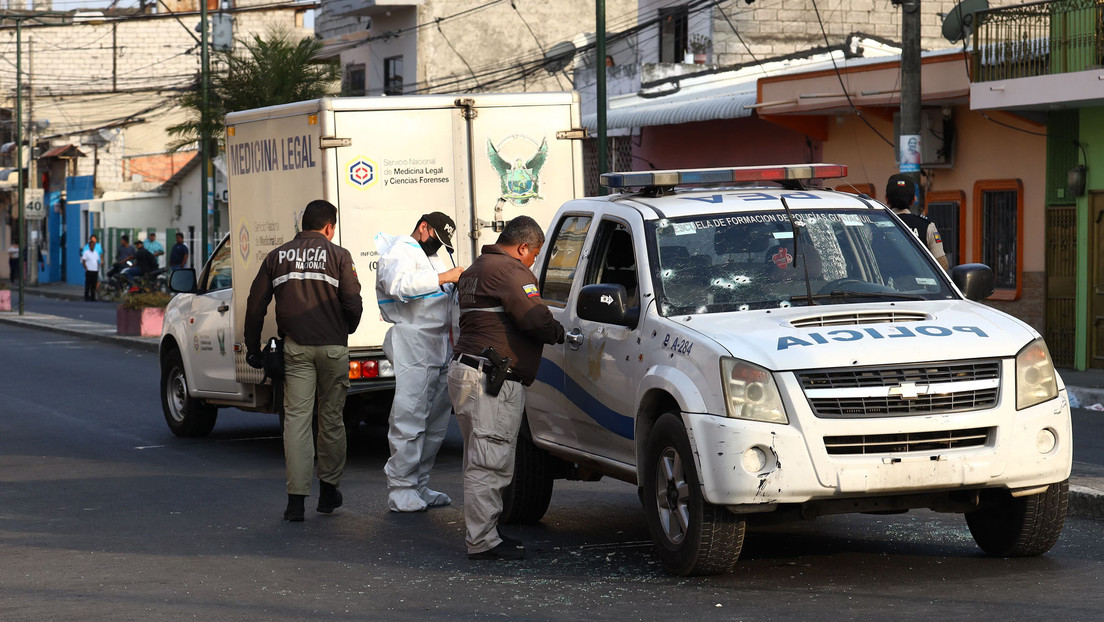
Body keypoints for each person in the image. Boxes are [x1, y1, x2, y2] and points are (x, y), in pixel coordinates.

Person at [447, 215, 565, 561]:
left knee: (480, 455)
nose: (534, 261)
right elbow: (535, 318)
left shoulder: (475, 270)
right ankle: (483, 541)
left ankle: (485, 532)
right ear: (523, 246)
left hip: (468, 371)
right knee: (490, 459)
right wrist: (559, 332)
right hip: (491, 379)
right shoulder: (511, 271)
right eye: (535, 253)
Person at [244, 199, 363, 522]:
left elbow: (256, 305)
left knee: (296, 422)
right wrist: (345, 328)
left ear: (303, 224)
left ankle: (295, 502)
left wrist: (252, 347)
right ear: (329, 227)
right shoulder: (339, 256)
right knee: (332, 419)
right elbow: (352, 301)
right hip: (333, 349)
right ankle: (328, 492)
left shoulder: (277, 256)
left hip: (295, 350)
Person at [375, 212, 466, 513]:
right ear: (423, 227)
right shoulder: (400, 250)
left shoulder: (432, 256)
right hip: (413, 343)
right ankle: (401, 488)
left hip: (439, 346)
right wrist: (445, 278)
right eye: (436, 238)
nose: (437, 246)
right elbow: (397, 286)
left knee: (436, 423)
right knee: (409, 418)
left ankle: (419, 484)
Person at [886, 173, 949, 270]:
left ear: (887, 199)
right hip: (921, 285)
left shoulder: (874, 226)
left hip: (883, 284)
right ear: (913, 200)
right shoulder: (927, 226)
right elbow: (942, 264)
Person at [81, 237, 101, 301]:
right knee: (88, 284)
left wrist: (97, 268)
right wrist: (86, 268)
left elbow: (97, 261)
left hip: (95, 270)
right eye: (91, 245)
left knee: (93, 285)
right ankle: (86, 296)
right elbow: (83, 261)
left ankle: (93, 297)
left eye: (94, 245)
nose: (93, 246)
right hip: (89, 270)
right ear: (89, 246)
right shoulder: (86, 252)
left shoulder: (96, 253)